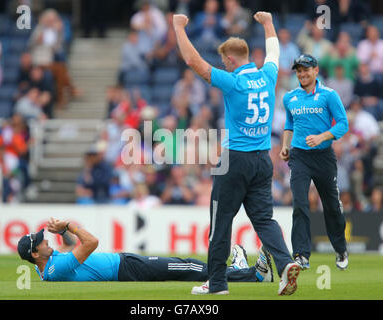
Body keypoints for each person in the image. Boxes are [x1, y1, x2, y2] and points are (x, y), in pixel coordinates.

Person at [173, 12, 300, 296]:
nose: (224, 66)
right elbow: (274, 51)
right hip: (262, 160)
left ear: (230, 59)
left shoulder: (233, 82)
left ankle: (217, 285)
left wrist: (178, 27)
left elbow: (194, 62)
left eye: (224, 62)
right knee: (264, 220)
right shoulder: (268, 76)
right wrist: (268, 24)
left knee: (221, 222)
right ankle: (285, 263)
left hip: (234, 160)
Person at [17, 217, 274, 284]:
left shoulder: (48, 268)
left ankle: (238, 271)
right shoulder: (56, 268)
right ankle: (253, 274)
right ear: (35, 254)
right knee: (187, 267)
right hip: (126, 268)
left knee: (186, 267)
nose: (45, 240)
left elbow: (74, 250)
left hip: (124, 265)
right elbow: (91, 243)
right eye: (41, 241)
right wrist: (70, 225)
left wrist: (62, 233)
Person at [279, 53, 350, 271]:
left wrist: (322, 137)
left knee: (331, 206)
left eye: (306, 69)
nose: (302, 74)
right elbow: (290, 124)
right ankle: (301, 255)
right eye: (299, 70)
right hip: (299, 156)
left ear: (316, 70)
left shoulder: (329, 95)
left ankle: (340, 249)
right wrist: (285, 145)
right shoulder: (290, 97)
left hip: (323, 157)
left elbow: (343, 124)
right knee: (300, 203)